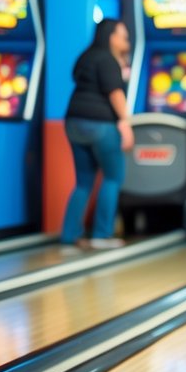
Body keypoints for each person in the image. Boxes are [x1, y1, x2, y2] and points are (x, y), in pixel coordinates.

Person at [59, 18, 134, 249]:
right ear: (111, 36)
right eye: (123, 36)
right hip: (100, 124)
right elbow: (115, 94)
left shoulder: (88, 56)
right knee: (113, 178)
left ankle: (69, 235)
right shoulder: (107, 60)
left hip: (73, 122)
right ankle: (102, 235)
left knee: (83, 182)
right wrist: (126, 123)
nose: (127, 41)